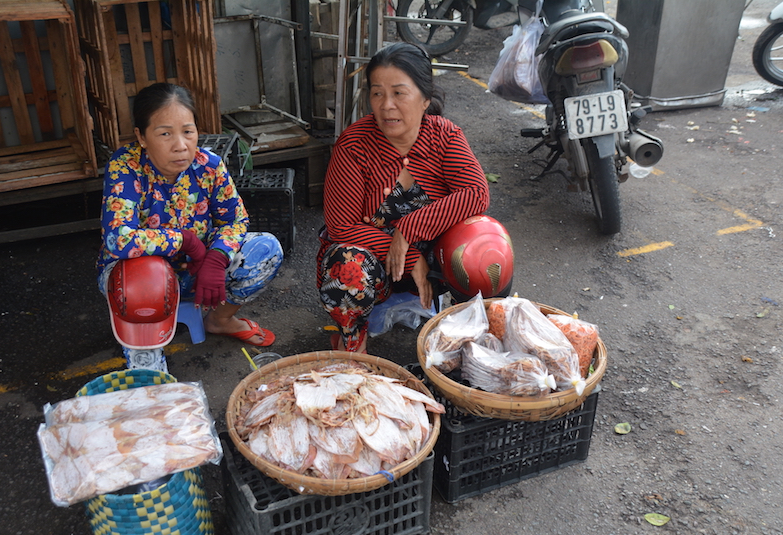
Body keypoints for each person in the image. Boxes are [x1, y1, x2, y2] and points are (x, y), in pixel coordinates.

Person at [317, 42, 497, 354]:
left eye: (399, 93)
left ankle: (471, 335)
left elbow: (476, 194)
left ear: (425, 98)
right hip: (377, 264)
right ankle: (353, 336)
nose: (386, 105)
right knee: (346, 268)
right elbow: (341, 226)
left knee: (487, 245)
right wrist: (407, 257)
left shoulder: (444, 136)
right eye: (377, 93)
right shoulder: (354, 145)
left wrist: (408, 230)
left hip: (435, 261)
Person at [97, 82, 282, 372]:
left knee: (266, 249)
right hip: (140, 281)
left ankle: (219, 320)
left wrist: (217, 256)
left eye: (188, 131)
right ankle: (149, 367)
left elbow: (236, 220)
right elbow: (119, 239)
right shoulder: (126, 166)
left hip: (197, 270)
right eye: (165, 133)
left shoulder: (209, 165)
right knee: (144, 279)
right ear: (142, 137)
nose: (181, 145)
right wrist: (185, 241)